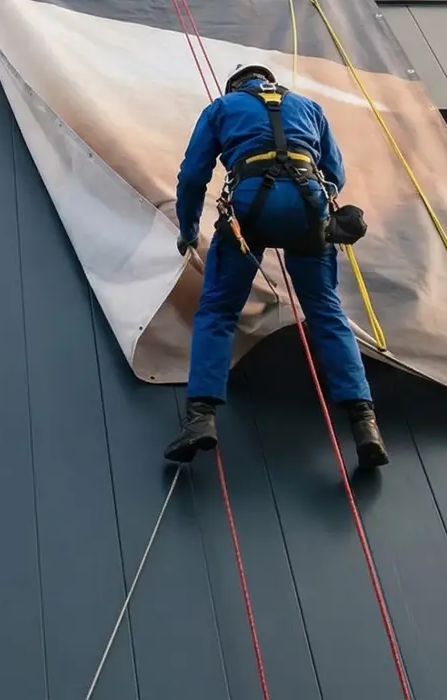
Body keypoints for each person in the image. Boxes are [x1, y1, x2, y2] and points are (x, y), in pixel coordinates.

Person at [166, 62, 388, 469]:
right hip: (308, 205)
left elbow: (193, 175)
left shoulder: (223, 107)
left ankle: (201, 418)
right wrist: (309, 203)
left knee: (217, 310)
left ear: (237, 85)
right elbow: (334, 174)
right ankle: (365, 424)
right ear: (269, 82)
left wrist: (187, 227)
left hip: (250, 205)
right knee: (325, 309)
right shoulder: (308, 106)